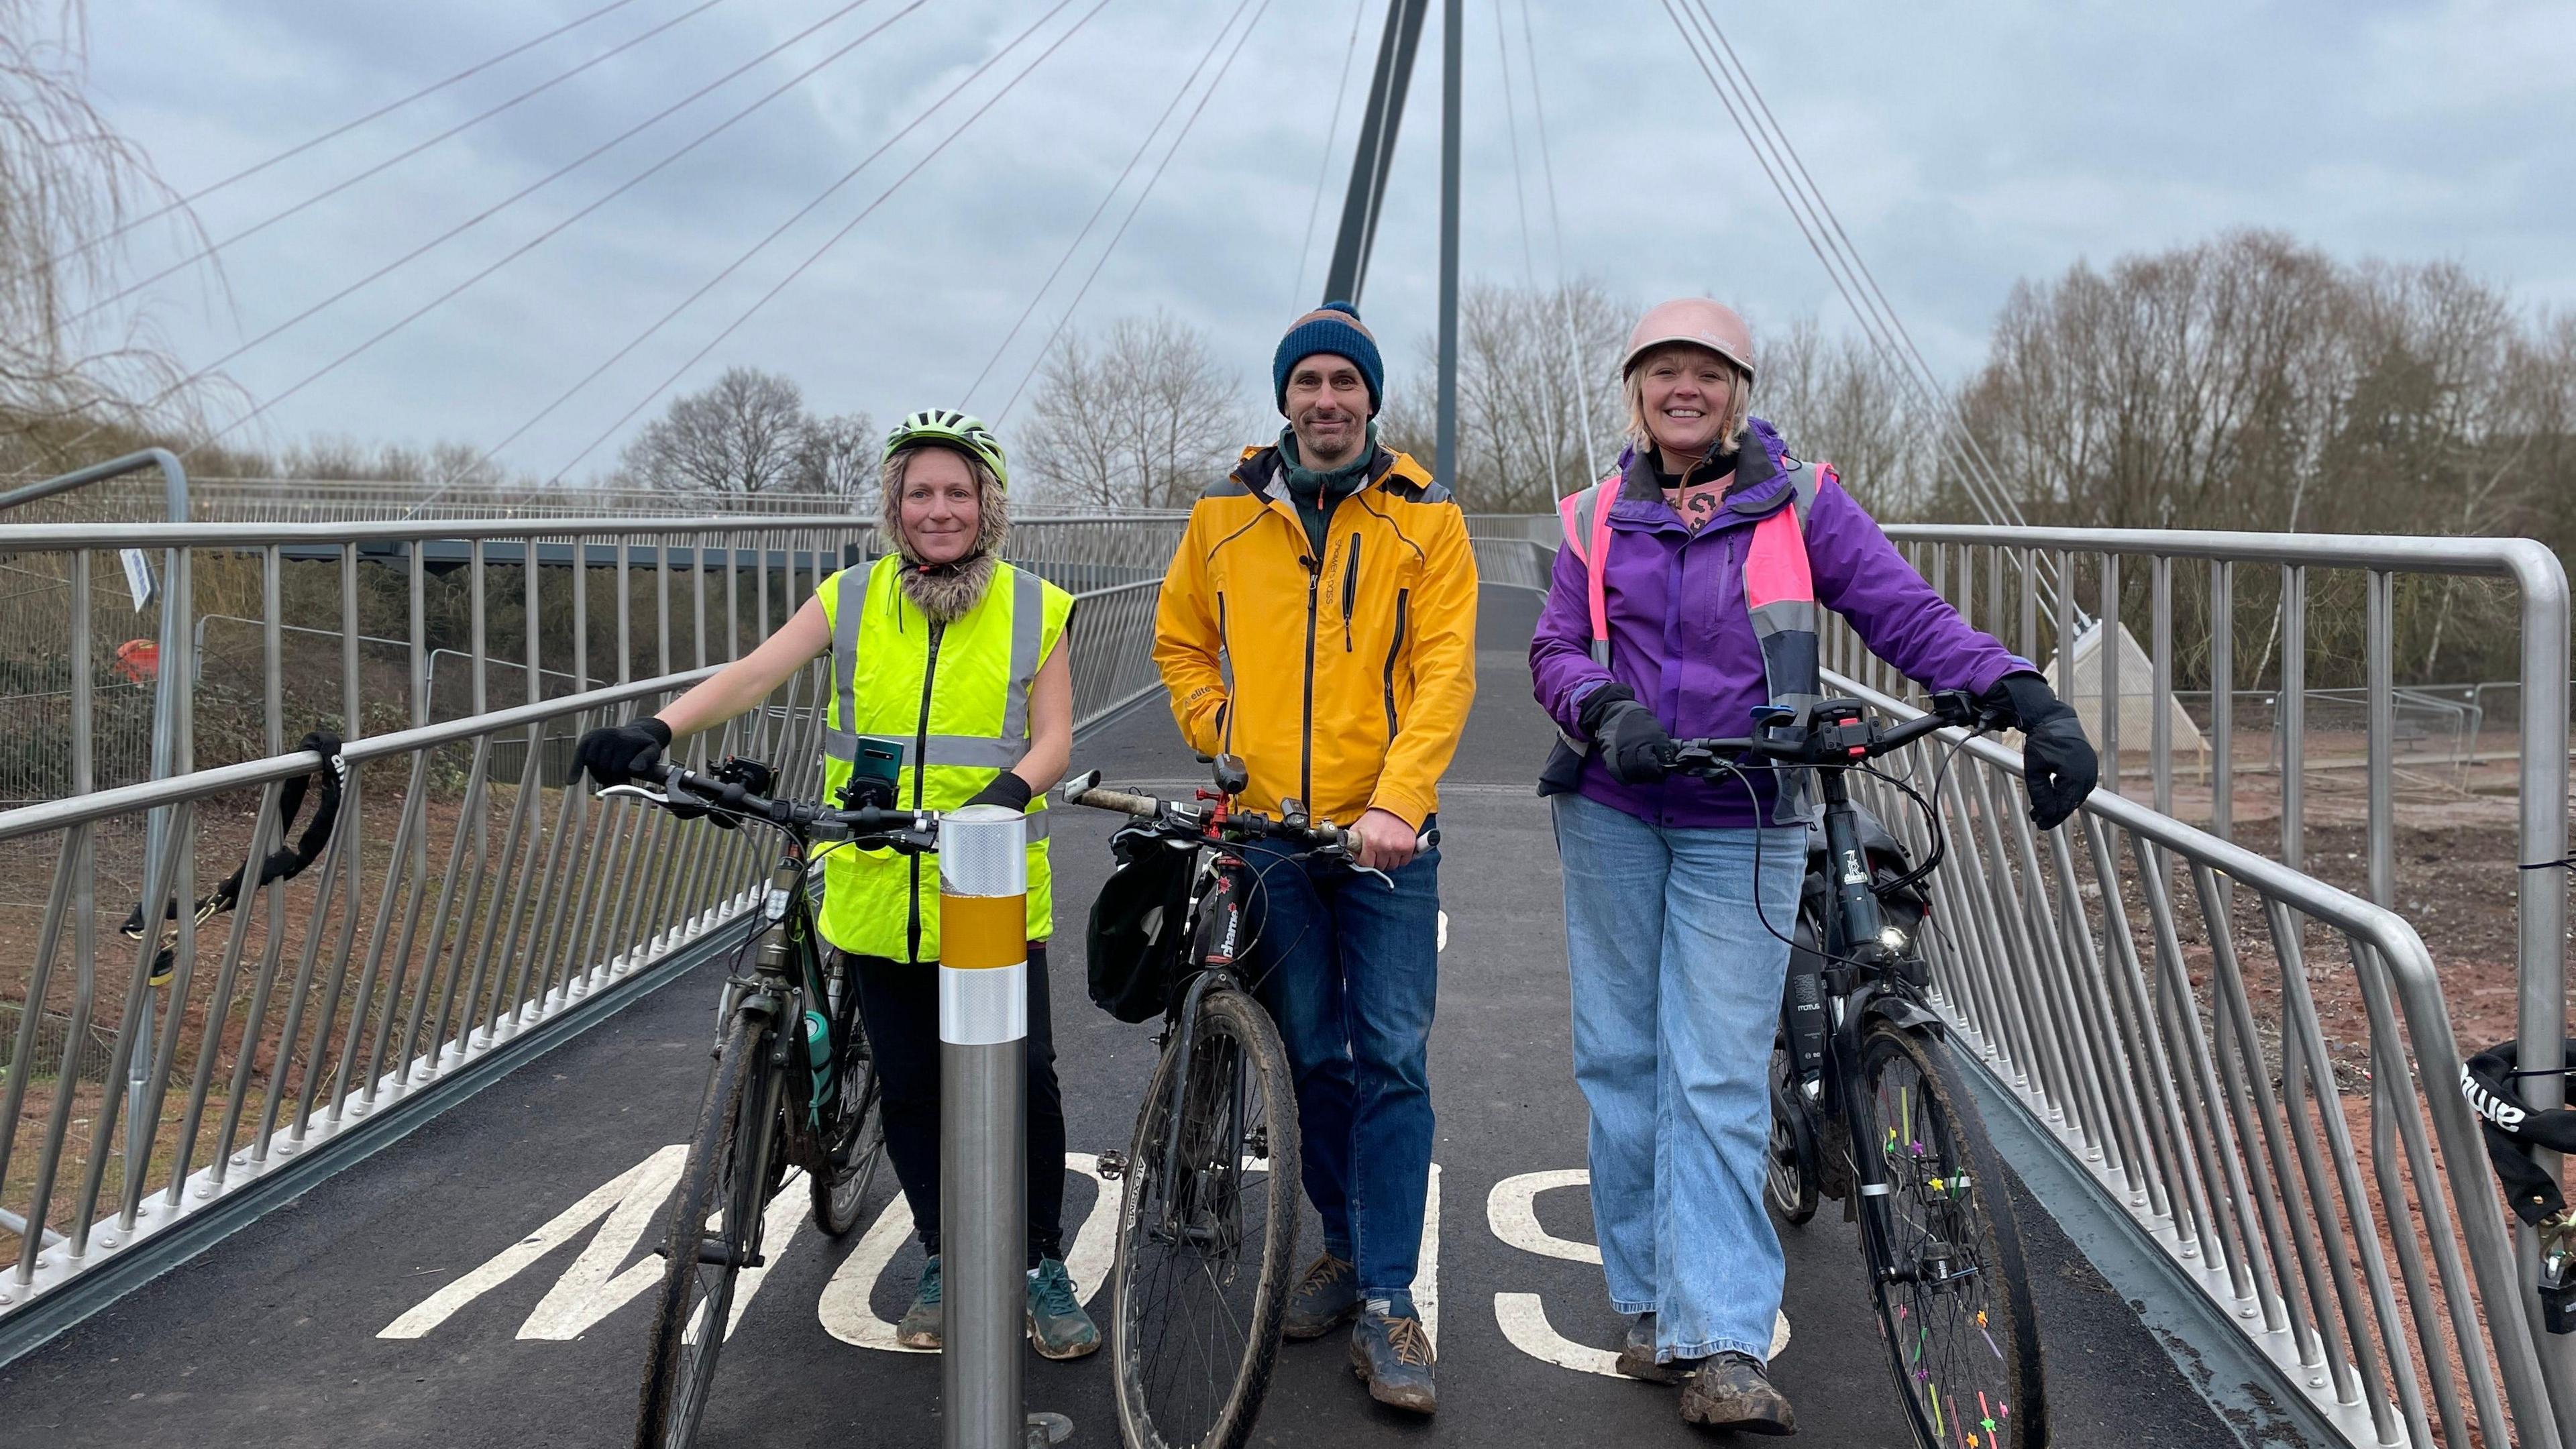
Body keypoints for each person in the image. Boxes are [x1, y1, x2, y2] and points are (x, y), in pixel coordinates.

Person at [1528, 301, 2098, 1434]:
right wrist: (1602, 710)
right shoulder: (1597, 517)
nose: (1682, 389)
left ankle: (1722, 1340)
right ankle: (1646, 1307)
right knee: (1624, 1062)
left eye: (1705, 373)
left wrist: (2025, 695)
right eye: (1661, 372)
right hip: (1613, 806)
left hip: (1746, 806)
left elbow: (1905, 613)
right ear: (1635, 393)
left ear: (1738, 391)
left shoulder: (1802, 503)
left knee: (1720, 1071)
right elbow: (1553, 650)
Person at [574, 409, 1101, 1361]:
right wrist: (659, 729)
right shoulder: (851, 597)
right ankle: (943, 1253)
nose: (938, 509)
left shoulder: (1038, 605)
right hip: (871, 879)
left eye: (957, 492)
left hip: (983, 884)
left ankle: (1037, 1263)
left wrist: (1004, 791)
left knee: (1024, 1080)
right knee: (909, 1083)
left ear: (989, 506)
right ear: (893, 508)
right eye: (919, 493)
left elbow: (1055, 737)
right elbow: (752, 676)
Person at [1151, 301, 1478, 1414]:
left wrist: (1398, 800)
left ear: (1371, 399)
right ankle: (1340, 1247)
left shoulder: (1426, 518)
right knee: (1309, 1054)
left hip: (1384, 838)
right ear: (1284, 399)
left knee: (1390, 1057)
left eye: (1346, 383)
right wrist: (1220, 734)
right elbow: (1180, 640)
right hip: (1270, 833)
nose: (1327, 401)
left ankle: (1390, 1300)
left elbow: (1444, 674)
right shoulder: (1223, 517)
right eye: (1309, 384)